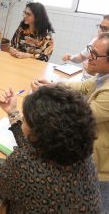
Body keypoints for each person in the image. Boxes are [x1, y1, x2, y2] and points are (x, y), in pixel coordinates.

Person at [0, 85, 101, 213]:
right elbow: (34, 150)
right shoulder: (82, 153)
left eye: (24, 119)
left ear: (39, 134)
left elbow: (2, 186)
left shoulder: (21, 162)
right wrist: (12, 112)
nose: (22, 121)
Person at [31, 32, 109, 182]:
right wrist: (53, 85)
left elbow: (82, 116)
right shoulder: (102, 74)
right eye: (89, 50)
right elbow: (83, 86)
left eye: (94, 54)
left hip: (98, 150)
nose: (88, 57)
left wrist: (48, 95)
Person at [62, 15, 109, 80]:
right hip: (85, 82)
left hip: (95, 87)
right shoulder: (95, 40)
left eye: (105, 28)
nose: (100, 31)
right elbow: (82, 57)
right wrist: (70, 57)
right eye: (100, 27)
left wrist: (93, 73)